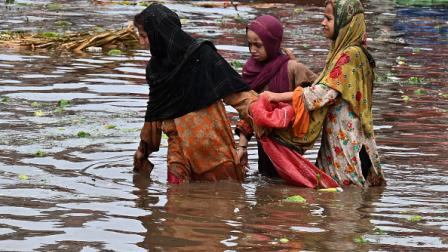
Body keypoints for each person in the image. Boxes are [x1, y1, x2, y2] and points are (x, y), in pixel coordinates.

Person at [260, 0, 386, 187]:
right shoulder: (347, 52)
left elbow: (324, 92)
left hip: (346, 138)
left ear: (346, 22)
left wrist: (276, 96)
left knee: (345, 194)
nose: (323, 23)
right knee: (338, 193)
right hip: (341, 133)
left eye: (328, 18)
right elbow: (327, 82)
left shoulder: (350, 54)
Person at [132, 3, 258, 184]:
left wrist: (269, 112)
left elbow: (237, 95)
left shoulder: (203, 55)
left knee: (223, 202)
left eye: (144, 36)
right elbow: (154, 114)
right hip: (179, 151)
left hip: (214, 149)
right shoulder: (156, 70)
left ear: (160, 34)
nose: (142, 43)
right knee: (175, 204)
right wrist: (143, 149)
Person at [236, 15, 318, 177]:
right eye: (249, 44)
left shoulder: (293, 68)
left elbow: (318, 95)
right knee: (266, 185)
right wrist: (242, 147)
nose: (253, 50)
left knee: (288, 186)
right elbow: (249, 114)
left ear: (272, 43)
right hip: (264, 145)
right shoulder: (250, 71)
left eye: (258, 45)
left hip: (289, 146)